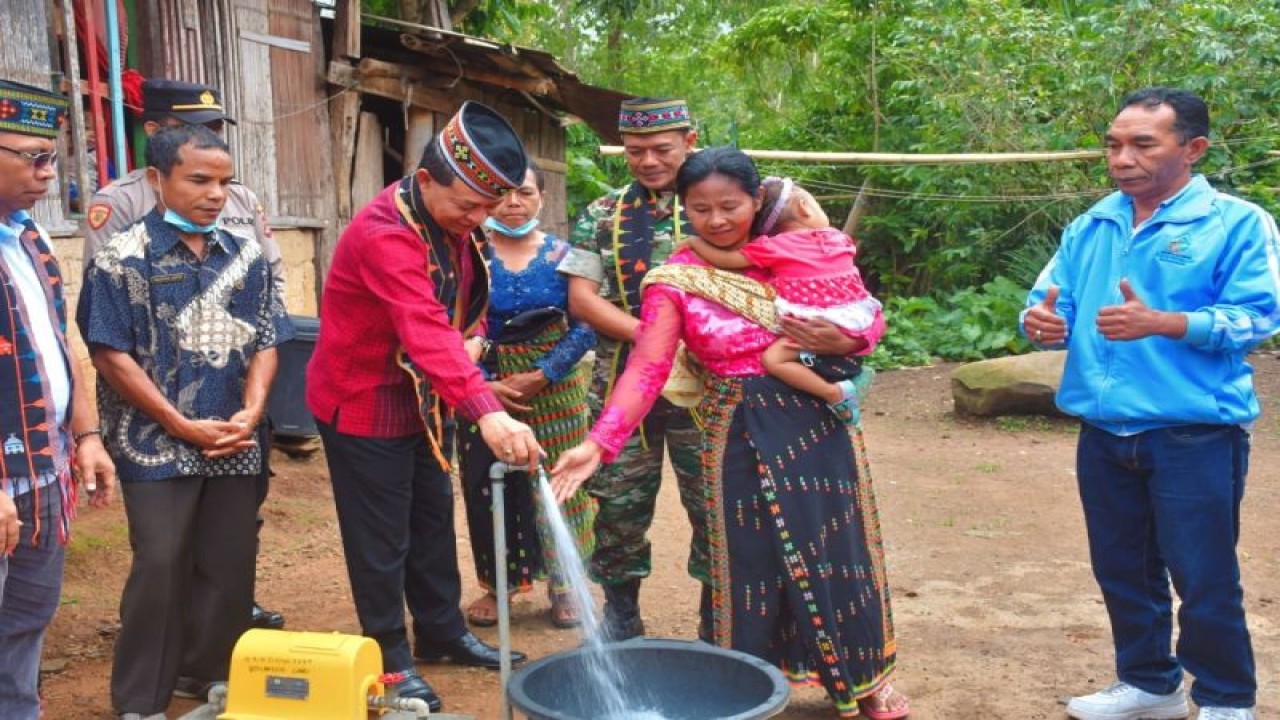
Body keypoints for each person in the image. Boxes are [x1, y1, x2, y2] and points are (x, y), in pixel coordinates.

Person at [552, 147, 910, 720]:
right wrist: (600, 441)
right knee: (744, 560)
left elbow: (864, 315)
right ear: (682, 209)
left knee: (835, 548)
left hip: (814, 425)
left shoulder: (794, 253)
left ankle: (864, 677)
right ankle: (746, 681)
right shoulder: (676, 280)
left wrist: (846, 343)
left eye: (729, 206)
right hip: (733, 426)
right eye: (699, 209)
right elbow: (647, 366)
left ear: (756, 200)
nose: (716, 220)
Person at [1022, 87, 1276, 720]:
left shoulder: (1236, 223)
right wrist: (1042, 322)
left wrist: (1167, 323)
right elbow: (1051, 299)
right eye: (1113, 143)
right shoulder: (1093, 224)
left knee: (1204, 575)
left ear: (1192, 149)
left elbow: (1258, 317)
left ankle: (1225, 698)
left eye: (1142, 143)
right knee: (1123, 570)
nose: (1121, 157)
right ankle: (1150, 684)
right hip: (1104, 429)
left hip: (1194, 431)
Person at [306, 101, 540, 713]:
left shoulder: (455, 221)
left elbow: (469, 296)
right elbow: (424, 327)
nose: (478, 219)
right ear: (426, 178)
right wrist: (488, 409)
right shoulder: (386, 232)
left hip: (427, 395)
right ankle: (389, 656)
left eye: (487, 208)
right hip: (363, 399)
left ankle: (441, 631)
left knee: (432, 519)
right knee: (380, 537)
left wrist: (479, 338)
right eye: (468, 206)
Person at [77, 124, 292, 720]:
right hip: (151, 442)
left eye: (224, 181)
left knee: (228, 562)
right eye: (199, 179)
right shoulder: (122, 258)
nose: (216, 194)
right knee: (162, 560)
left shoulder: (243, 255)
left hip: (233, 437)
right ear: (157, 179)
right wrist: (176, 421)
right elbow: (109, 353)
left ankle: (209, 678)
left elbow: (267, 339)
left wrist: (252, 409)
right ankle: (141, 698)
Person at [556, 97, 708, 640]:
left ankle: (721, 615)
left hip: (709, 387)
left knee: (713, 498)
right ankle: (622, 611)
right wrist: (652, 338)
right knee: (617, 502)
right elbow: (582, 297)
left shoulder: (719, 202)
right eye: (635, 151)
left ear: (689, 140)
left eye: (661, 149)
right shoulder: (601, 213)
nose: (647, 161)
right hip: (622, 383)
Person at [0, 78, 116, 720]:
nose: (50, 173)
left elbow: (61, 342)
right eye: (33, 157)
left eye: (53, 157)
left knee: (26, 617)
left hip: (40, 464)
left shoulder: (29, 237)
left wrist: (89, 434)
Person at [459, 161, 597, 629]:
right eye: (503, 194)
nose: (514, 203)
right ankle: (498, 586)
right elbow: (451, 324)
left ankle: (564, 583)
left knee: (562, 484)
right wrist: (482, 383)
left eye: (525, 193)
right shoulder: (468, 253)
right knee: (489, 485)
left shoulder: (569, 254)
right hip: (482, 385)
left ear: (542, 198)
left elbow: (586, 325)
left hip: (554, 389)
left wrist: (544, 373)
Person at [685, 175, 883, 423]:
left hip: (809, 321)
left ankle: (834, 392)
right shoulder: (838, 239)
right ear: (804, 206)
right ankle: (851, 374)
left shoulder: (774, 246)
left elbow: (726, 261)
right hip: (857, 316)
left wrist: (694, 243)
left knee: (773, 359)